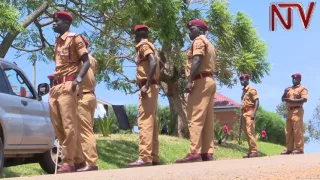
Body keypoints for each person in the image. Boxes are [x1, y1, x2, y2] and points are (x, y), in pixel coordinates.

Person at [49, 11, 91, 173]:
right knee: (58, 125)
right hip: (55, 87)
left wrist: (78, 80)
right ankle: (79, 159)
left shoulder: (75, 38)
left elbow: (86, 61)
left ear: (66, 24)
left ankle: (68, 161)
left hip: (68, 85)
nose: (53, 23)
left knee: (68, 125)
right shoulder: (57, 42)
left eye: (57, 21)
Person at [175, 19, 217, 163]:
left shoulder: (198, 41)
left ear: (199, 30)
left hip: (200, 81)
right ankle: (207, 152)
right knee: (207, 119)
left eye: (191, 28)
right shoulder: (210, 44)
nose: (189, 31)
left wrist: (189, 80)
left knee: (195, 117)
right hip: (210, 81)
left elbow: (197, 61)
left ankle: (194, 152)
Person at [128, 25, 160, 167]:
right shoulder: (151, 46)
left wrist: (146, 85)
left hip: (147, 87)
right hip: (152, 85)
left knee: (145, 121)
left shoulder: (143, 45)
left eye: (135, 34)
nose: (134, 37)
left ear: (140, 34)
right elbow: (160, 64)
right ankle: (153, 157)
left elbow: (153, 62)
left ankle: (145, 157)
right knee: (152, 121)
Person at [74, 38, 99, 172]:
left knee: (84, 131)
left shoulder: (78, 60)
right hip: (91, 95)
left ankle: (91, 162)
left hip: (82, 96)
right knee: (83, 130)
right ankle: (80, 160)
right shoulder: (93, 59)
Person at [281, 73, 308, 155]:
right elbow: (283, 99)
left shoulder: (302, 88)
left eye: (296, 78)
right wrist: (285, 93)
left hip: (297, 110)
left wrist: (292, 101)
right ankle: (289, 149)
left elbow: (304, 99)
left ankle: (299, 149)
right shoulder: (289, 89)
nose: (294, 80)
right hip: (289, 111)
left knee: (297, 130)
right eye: (293, 79)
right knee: (288, 130)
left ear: (300, 79)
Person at [240, 74, 259, 158]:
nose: (241, 81)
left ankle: (254, 151)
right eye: (240, 79)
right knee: (246, 132)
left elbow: (257, 101)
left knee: (250, 131)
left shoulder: (251, 90)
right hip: (244, 113)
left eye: (243, 79)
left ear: (247, 79)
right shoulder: (244, 91)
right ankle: (251, 150)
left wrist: (254, 113)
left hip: (250, 112)